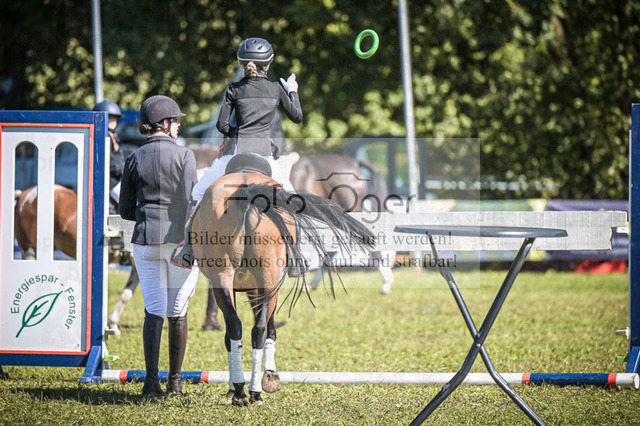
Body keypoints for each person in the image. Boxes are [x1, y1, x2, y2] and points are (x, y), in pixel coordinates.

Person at [172, 37, 304, 274]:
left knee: (198, 193)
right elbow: (297, 116)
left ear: (243, 65)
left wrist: (237, 133)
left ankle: (187, 250)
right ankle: (296, 256)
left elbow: (222, 126)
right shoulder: (276, 89)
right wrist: (292, 92)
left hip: (234, 156)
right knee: (293, 200)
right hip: (266, 158)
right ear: (268, 64)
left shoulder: (234, 89)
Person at [119, 95, 199, 396]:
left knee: (153, 310)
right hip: (178, 242)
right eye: (175, 120)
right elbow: (190, 203)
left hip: (145, 241)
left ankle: (151, 383)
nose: (178, 125)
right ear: (164, 123)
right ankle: (175, 382)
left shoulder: (133, 158)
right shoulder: (184, 155)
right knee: (177, 310)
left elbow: (125, 210)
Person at [93, 100, 124, 214]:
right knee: (130, 201)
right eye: (110, 117)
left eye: (115, 118)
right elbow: (110, 162)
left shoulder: (113, 136)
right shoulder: (102, 138)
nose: (113, 120)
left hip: (116, 179)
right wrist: (122, 170)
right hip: (110, 182)